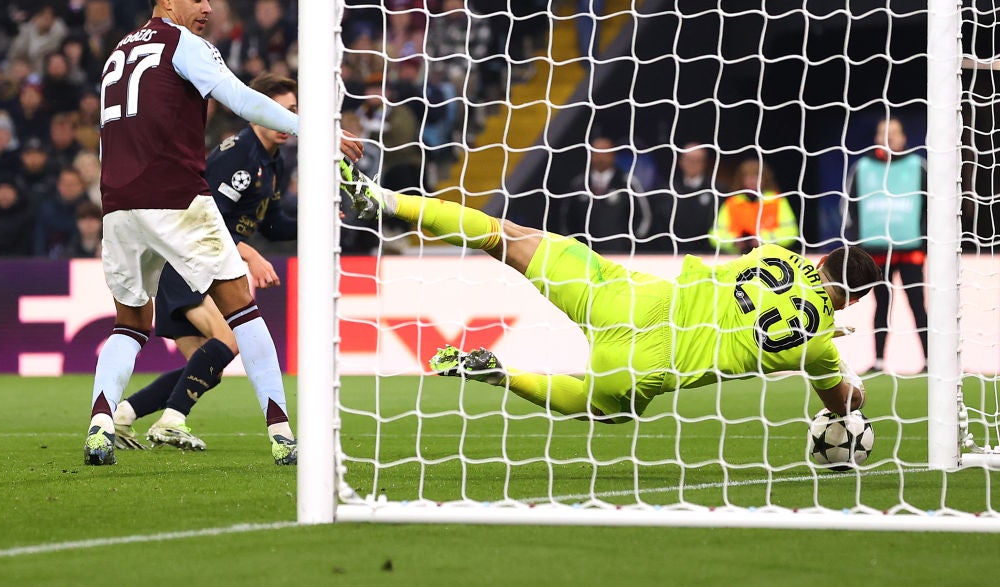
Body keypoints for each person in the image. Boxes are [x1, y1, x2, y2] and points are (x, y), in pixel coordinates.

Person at [339, 160, 880, 422]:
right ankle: (502, 373)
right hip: (651, 360)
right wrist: (848, 382)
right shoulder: (819, 347)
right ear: (854, 300)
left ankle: (384, 200)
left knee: (506, 237)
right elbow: (841, 401)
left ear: (824, 257)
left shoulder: (776, 255)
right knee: (605, 412)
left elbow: (759, 287)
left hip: (635, 297)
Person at [83, 0, 301, 467]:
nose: (207, 8)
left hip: (118, 203)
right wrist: (318, 129)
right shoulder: (182, 44)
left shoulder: (120, 50)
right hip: (176, 196)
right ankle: (282, 433)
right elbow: (242, 99)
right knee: (242, 309)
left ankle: (99, 425)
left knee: (131, 324)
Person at [110, 75, 362, 451]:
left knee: (202, 366)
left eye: (293, 111)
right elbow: (207, 222)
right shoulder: (237, 155)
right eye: (281, 111)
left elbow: (273, 224)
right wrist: (250, 254)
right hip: (187, 263)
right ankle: (171, 422)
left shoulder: (272, 162)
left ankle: (124, 415)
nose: (287, 119)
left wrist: (319, 219)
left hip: (199, 264)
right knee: (230, 338)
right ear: (256, 110)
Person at [845, 117, 928, 373]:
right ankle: (879, 361)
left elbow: (930, 207)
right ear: (876, 138)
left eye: (894, 132)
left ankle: (930, 360)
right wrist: (857, 246)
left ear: (903, 138)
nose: (889, 137)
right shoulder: (863, 168)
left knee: (917, 304)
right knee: (881, 304)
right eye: (884, 132)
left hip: (910, 249)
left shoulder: (919, 166)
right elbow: (851, 210)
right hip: (876, 251)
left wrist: (925, 240)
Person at [558, 135, 652, 254]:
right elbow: (566, 220)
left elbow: (644, 217)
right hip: (586, 255)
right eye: (596, 152)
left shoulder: (627, 183)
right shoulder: (578, 185)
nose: (600, 157)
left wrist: (628, 244)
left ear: (613, 155)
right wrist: (576, 247)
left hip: (620, 255)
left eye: (605, 152)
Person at [710, 158, 798, 255]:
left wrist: (763, 239)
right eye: (747, 176)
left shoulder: (777, 200)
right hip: (737, 259)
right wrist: (735, 241)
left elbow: (791, 232)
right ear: (741, 179)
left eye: (756, 176)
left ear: (765, 178)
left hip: (770, 258)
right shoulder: (732, 203)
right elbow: (714, 235)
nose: (752, 180)